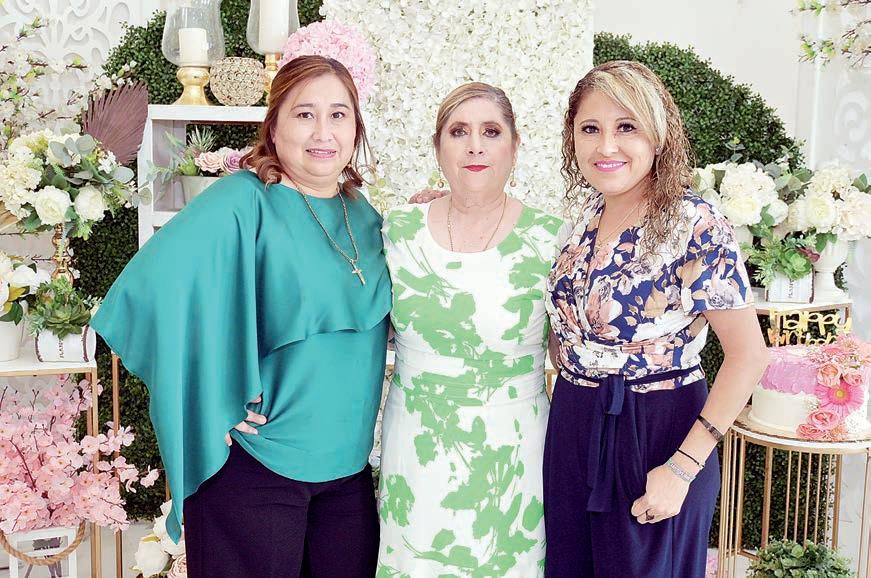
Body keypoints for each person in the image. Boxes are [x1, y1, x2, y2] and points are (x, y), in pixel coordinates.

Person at [90, 55, 391, 578]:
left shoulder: (364, 214)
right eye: (305, 114)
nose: (323, 131)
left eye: (338, 115)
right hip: (257, 472)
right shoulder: (243, 200)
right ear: (273, 126)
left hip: (347, 477)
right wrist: (211, 397)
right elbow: (148, 292)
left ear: (356, 128)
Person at [543, 60, 769, 577]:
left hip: (658, 431)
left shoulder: (696, 223)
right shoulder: (582, 221)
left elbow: (748, 356)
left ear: (658, 134)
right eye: (590, 128)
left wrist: (683, 468)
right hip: (574, 423)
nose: (606, 146)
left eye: (626, 126)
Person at [377, 82, 567, 577]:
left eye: (491, 132)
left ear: (515, 146)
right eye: (459, 132)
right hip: (416, 449)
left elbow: (572, 353)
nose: (475, 146)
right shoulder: (397, 230)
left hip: (514, 453)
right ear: (437, 146)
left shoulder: (552, 237)